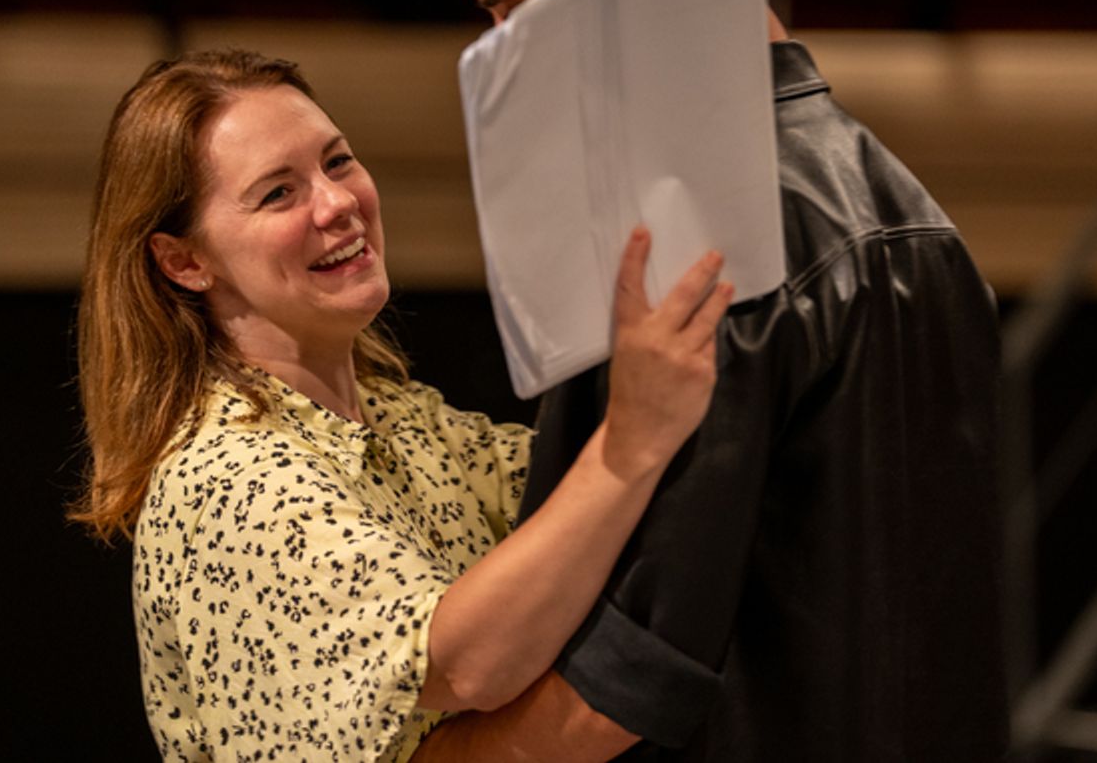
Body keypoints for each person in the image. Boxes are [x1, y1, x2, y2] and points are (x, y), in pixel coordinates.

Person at [420, 0, 1010, 760]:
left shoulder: (687, 247)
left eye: (511, 14)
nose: (501, 56)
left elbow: (623, 686)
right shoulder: (924, 220)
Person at [70, 47, 734, 761]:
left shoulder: (401, 419)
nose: (338, 202)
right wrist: (630, 446)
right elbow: (463, 662)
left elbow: (577, 516)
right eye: (277, 193)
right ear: (184, 262)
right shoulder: (227, 480)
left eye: (337, 160)